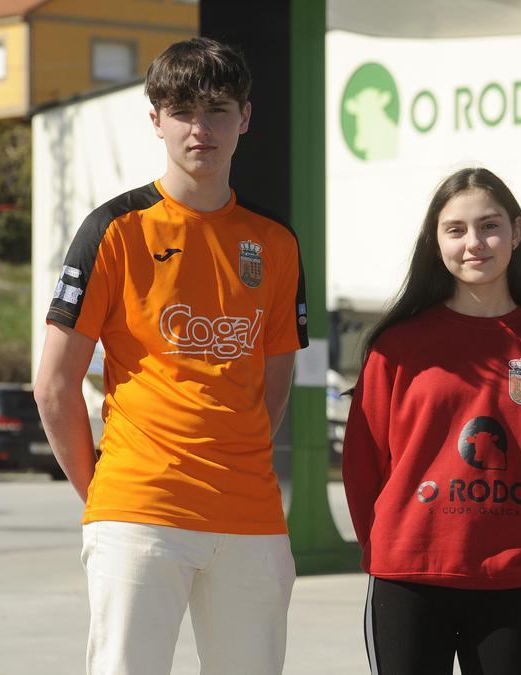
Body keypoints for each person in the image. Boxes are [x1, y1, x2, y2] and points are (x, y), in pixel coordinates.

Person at [34, 38, 307, 674]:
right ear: (155, 118)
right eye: (182, 109)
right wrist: (99, 489)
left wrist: (232, 460)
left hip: (251, 517)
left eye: (217, 109)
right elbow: (54, 385)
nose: (200, 127)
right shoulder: (115, 229)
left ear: (245, 118)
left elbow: (274, 384)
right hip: (140, 510)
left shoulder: (276, 243)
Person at [342, 167, 521, 675]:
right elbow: (364, 463)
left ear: (516, 233)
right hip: (407, 576)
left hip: (508, 579)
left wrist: (520, 547)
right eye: (456, 230)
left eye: (489, 226)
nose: (474, 242)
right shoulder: (396, 347)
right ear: (436, 242)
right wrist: (389, 543)